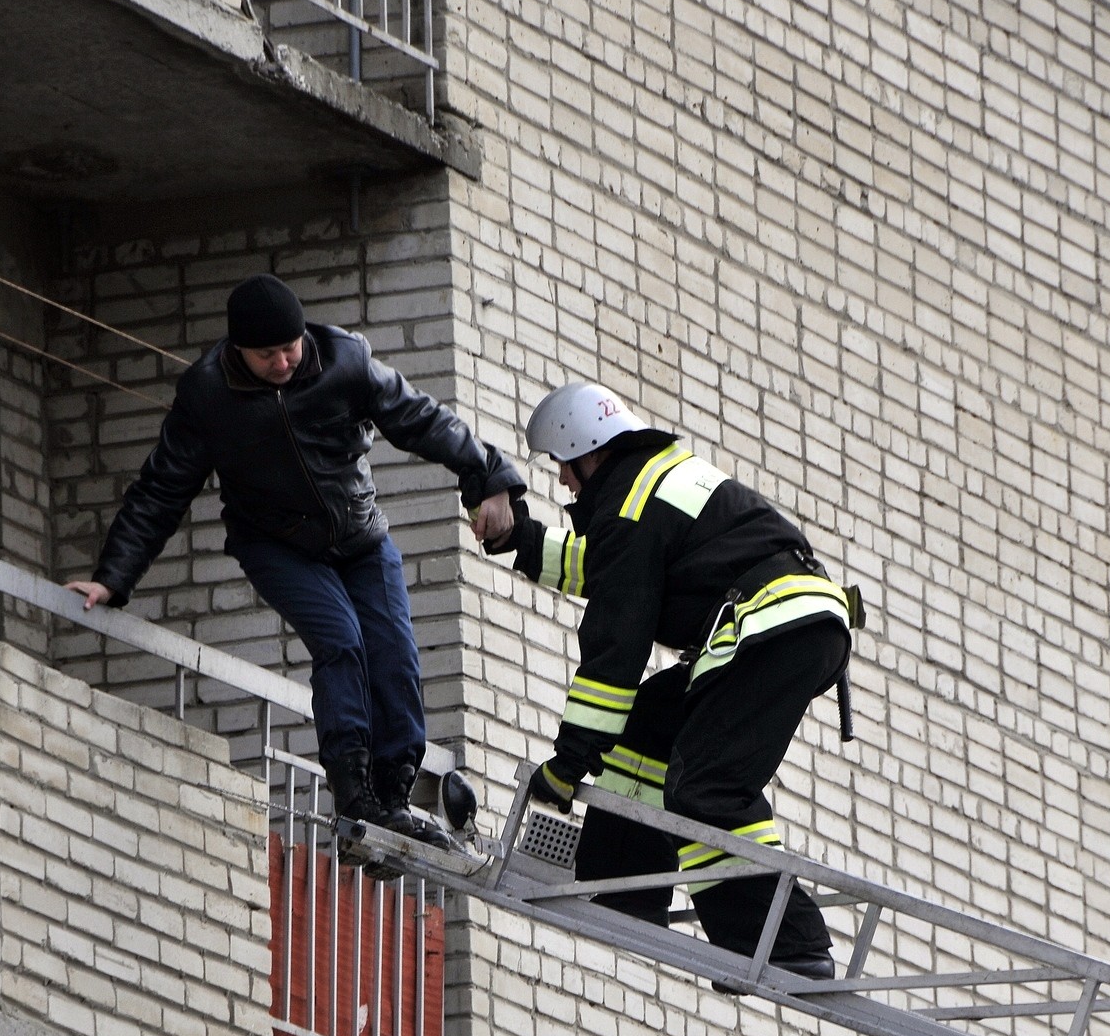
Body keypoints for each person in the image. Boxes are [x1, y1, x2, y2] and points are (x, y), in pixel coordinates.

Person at [65, 274, 523, 844]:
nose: (283, 362)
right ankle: (353, 793)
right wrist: (114, 576)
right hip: (274, 544)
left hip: (360, 537)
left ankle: (393, 795)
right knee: (341, 640)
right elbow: (162, 488)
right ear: (239, 351)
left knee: (396, 654)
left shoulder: (345, 361)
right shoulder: (207, 395)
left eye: (290, 348)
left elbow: (420, 418)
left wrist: (488, 476)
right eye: (266, 355)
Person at [482, 381, 854, 980]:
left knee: (705, 787)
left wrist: (568, 764)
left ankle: (786, 944)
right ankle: (624, 886)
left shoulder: (631, 508)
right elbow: (609, 571)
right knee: (652, 722)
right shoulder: (645, 491)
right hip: (786, 625)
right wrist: (517, 540)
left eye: (563, 466)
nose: (562, 482)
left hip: (772, 630)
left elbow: (613, 653)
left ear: (588, 449)